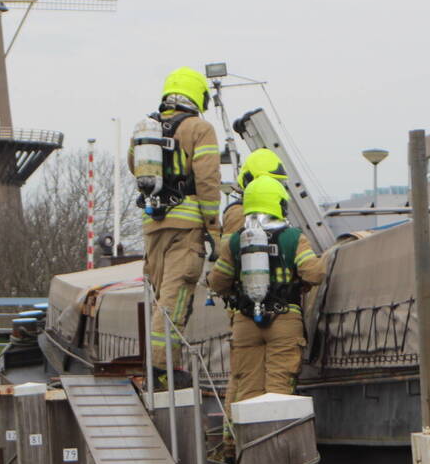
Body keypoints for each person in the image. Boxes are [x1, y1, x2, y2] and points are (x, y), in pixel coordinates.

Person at [129, 66, 222, 387]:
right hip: (187, 225)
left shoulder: (148, 128)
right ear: (198, 95)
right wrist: (213, 226)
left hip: (152, 224)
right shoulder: (200, 129)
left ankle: (166, 365)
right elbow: (208, 179)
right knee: (175, 297)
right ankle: (163, 371)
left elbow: (134, 167)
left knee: (159, 295)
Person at [208, 176, 324, 409]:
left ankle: (245, 443)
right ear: (279, 204)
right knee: (279, 388)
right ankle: (277, 443)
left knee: (247, 388)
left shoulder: (237, 241)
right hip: (284, 320)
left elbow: (217, 282)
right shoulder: (293, 238)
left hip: (245, 322)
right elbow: (315, 274)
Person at [221, 148, 288, 235]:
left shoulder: (275, 211)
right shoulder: (239, 212)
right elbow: (228, 247)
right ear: (247, 181)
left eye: (279, 182)